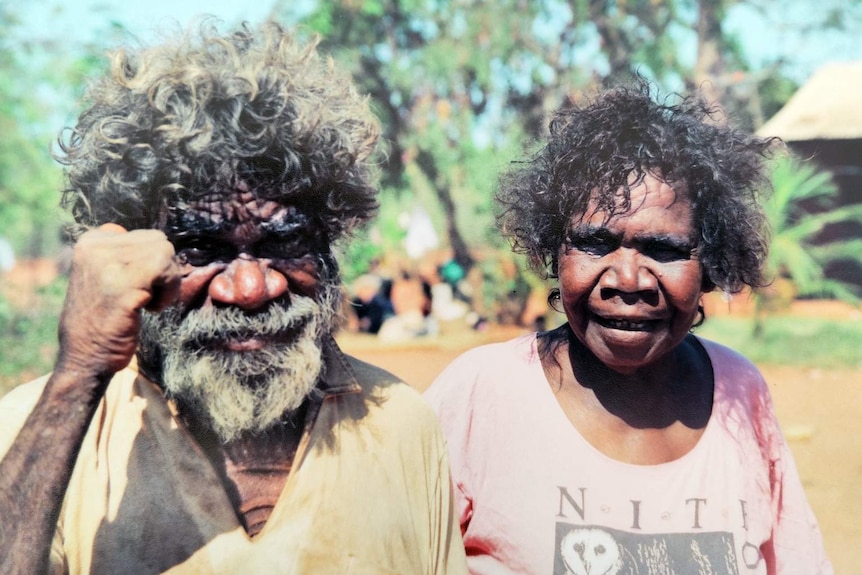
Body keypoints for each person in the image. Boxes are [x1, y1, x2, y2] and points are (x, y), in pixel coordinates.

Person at [0, 20, 466, 575]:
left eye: (284, 241)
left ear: (327, 244)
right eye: (200, 248)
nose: (250, 289)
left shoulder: (400, 425)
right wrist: (78, 373)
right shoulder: (47, 430)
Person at [424, 85, 832, 574]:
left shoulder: (740, 391)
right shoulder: (479, 395)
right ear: (554, 251)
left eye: (664, 249)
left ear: (711, 264)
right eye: (595, 244)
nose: (628, 281)